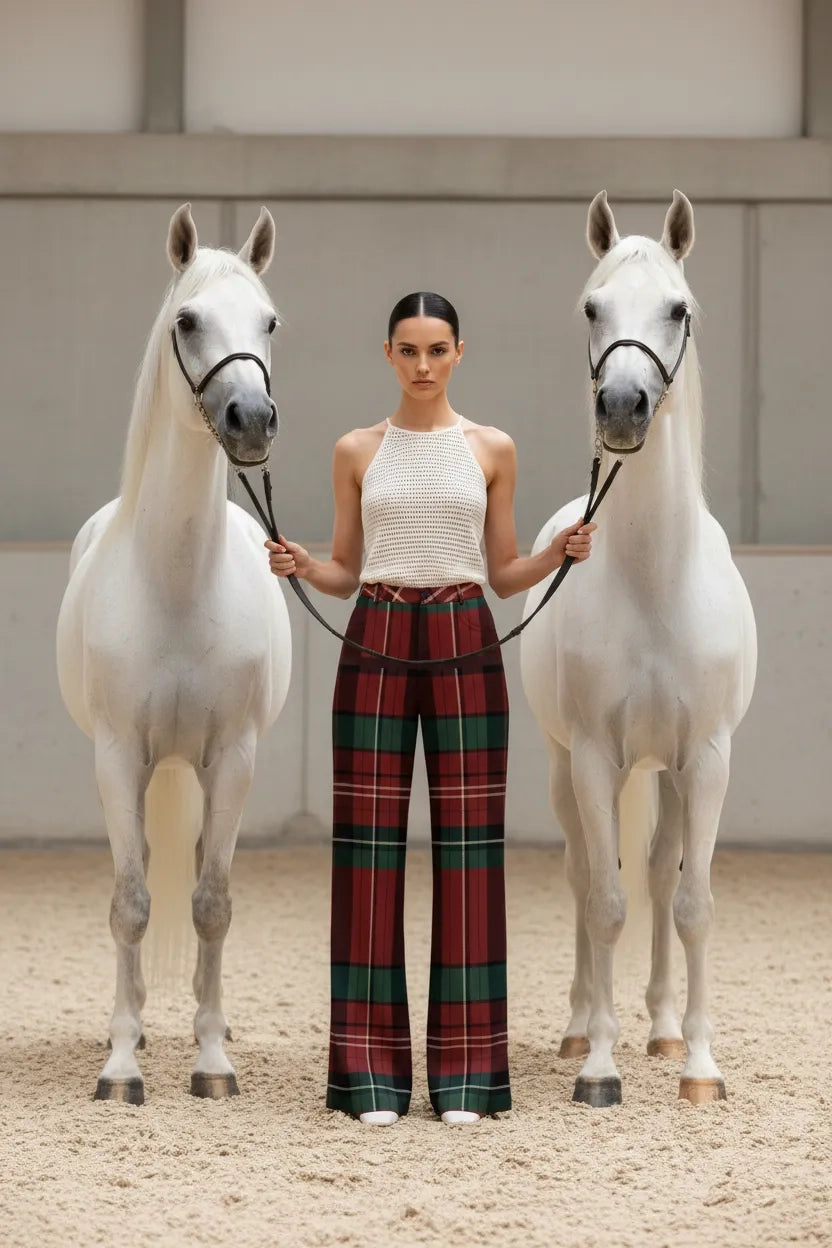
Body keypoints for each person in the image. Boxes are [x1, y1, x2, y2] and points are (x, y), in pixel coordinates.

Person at [267, 292, 595, 1126]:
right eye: (408, 350)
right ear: (388, 354)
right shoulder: (355, 449)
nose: (422, 365)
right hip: (375, 633)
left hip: (464, 633)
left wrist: (557, 554)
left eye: (437, 350)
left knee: (471, 855)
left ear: (458, 353)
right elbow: (347, 569)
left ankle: (468, 1078)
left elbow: (503, 572)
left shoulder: (492, 448)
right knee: (366, 857)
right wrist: (303, 565)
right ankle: (368, 1080)